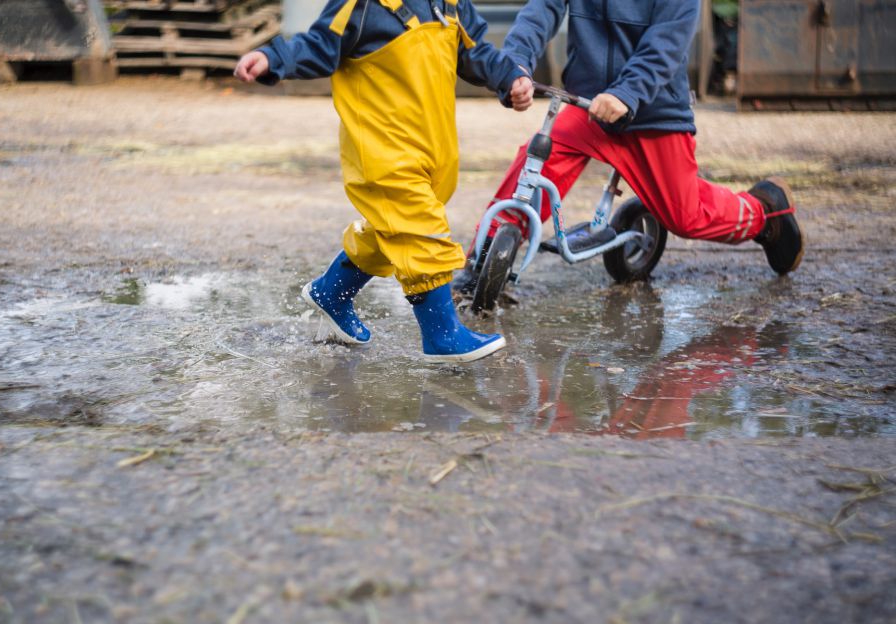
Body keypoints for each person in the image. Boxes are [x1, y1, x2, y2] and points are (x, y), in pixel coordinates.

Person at [234, 0, 534, 363]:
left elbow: (475, 51)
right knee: (421, 231)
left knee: (392, 229)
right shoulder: (361, 6)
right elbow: (318, 45)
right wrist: (273, 58)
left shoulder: (449, 4)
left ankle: (333, 291)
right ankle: (442, 335)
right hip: (382, 149)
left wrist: (510, 78)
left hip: (432, 147)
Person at [454, 0, 803, 296]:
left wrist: (626, 93)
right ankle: (483, 259)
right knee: (536, 164)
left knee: (687, 216)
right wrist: (516, 65)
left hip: (652, 111)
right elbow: (541, 10)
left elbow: (668, 41)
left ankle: (764, 212)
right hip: (586, 104)